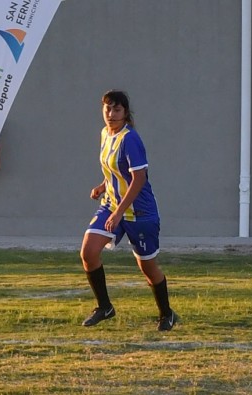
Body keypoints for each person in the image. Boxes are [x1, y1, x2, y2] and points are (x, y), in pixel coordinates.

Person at [80, 90, 178, 331]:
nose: (111, 114)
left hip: (139, 212)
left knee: (148, 267)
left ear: (125, 113)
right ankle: (105, 307)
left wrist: (119, 213)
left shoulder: (130, 139)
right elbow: (114, 169)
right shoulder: (105, 133)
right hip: (112, 205)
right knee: (88, 251)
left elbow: (139, 179)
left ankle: (167, 314)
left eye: (116, 110)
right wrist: (103, 186)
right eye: (107, 109)